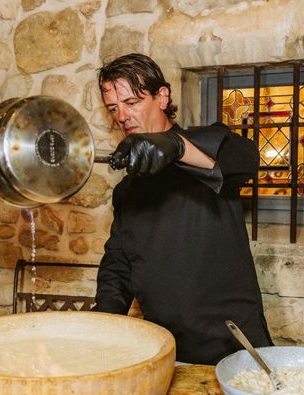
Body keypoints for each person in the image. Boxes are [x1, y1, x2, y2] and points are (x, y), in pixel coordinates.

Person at [92, 53, 272, 365]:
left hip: (231, 346)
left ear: (162, 97)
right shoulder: (127, 190)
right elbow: (119, 264)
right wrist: (104, 318)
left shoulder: (208, 149)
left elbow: (246, 159)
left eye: (132, 102)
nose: (122, 115)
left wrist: (175, 146)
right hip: (167, 348)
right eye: (113, 108)